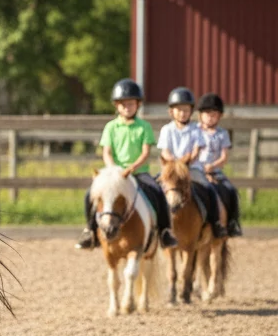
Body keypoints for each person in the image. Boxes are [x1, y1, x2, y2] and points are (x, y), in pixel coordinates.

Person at [75, 78, 179, 250]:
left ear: (137, 105)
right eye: (123, 104)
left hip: (138, 172)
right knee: (89, 194)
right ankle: (90, 230)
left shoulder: (144, 127)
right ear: (116, 106)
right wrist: (114, 170)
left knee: (157, 192)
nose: (126, 107)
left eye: (130, 104)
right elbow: (106, 152)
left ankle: (165, 232)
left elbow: (145, 153)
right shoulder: (110, 127)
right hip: (115, 174)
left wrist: (131, 169)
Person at [157, 86, 226, 239]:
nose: (182, 113)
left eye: (186, 110)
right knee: (157, 188)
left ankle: (214, 222)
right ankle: (159, 227)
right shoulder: (166, 130)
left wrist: (185, 162)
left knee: (209, 189)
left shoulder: (196, 129)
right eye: (179, 110)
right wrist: (175, 164)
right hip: (171, 169)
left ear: (191, 112)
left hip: (191, 168)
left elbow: (196, 150)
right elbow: (164, 151)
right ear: (171, 112)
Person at [196, 92, 242, 237]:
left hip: (215, 170)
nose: (210, 117)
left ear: (220, 116)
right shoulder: (194, 131)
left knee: (230, 190)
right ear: (200, 115)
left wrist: (212, 167)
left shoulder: (222, 134)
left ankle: (232, 223)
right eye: (207, 113)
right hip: (197, 170)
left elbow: (224, 157)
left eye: (214, 114)